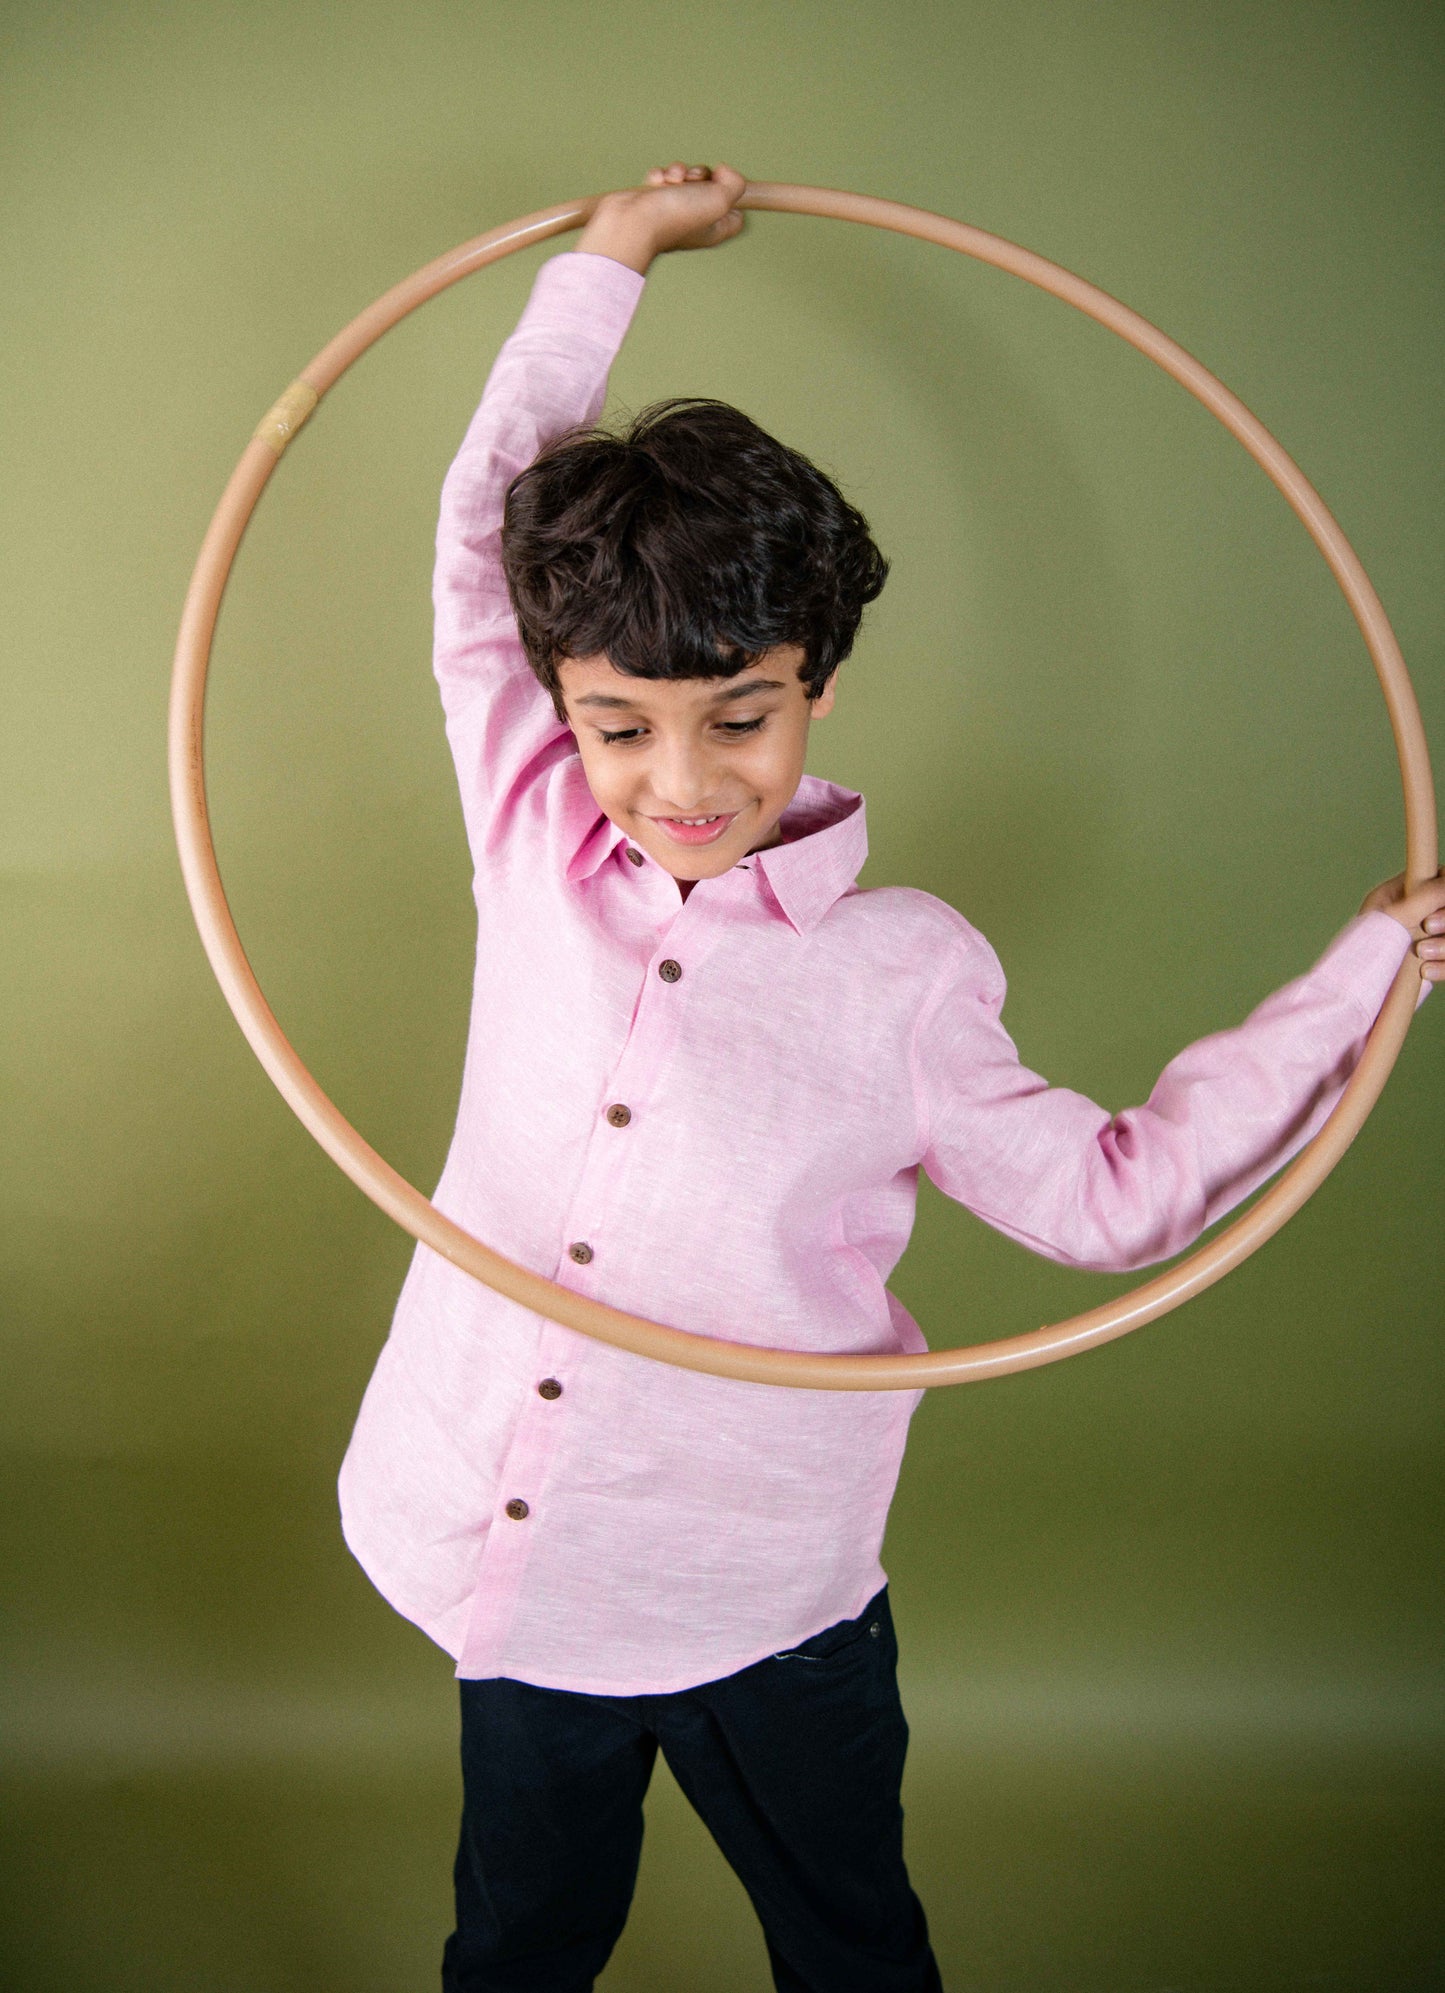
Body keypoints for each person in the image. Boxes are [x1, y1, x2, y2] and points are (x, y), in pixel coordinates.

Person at [338, 163, 1445, 1992]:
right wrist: (606, 264)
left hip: (768, 1596)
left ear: (816, 680)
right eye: (618, 723)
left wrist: (1359, 980)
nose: (678, 778)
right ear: (559, 704)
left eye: (738, 717)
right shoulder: (531, 825)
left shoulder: (903, 972)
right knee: (518, 1946)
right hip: (518, 1570)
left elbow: (1116, 1197)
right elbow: (484, 534)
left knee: (852, 1945)